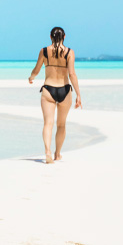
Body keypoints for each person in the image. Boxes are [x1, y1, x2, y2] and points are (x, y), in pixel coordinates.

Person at [27, 27, 82, 163]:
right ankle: (57, 154)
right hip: (64, 90)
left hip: (48, 90)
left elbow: (37, 69)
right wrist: (78, 95)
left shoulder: (44, 51)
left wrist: (31, 77)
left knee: (48, 123)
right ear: (64, 37)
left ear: (50, 37)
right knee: (61, 125)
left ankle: (47, 152)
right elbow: (72, 74)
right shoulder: (69, 52)